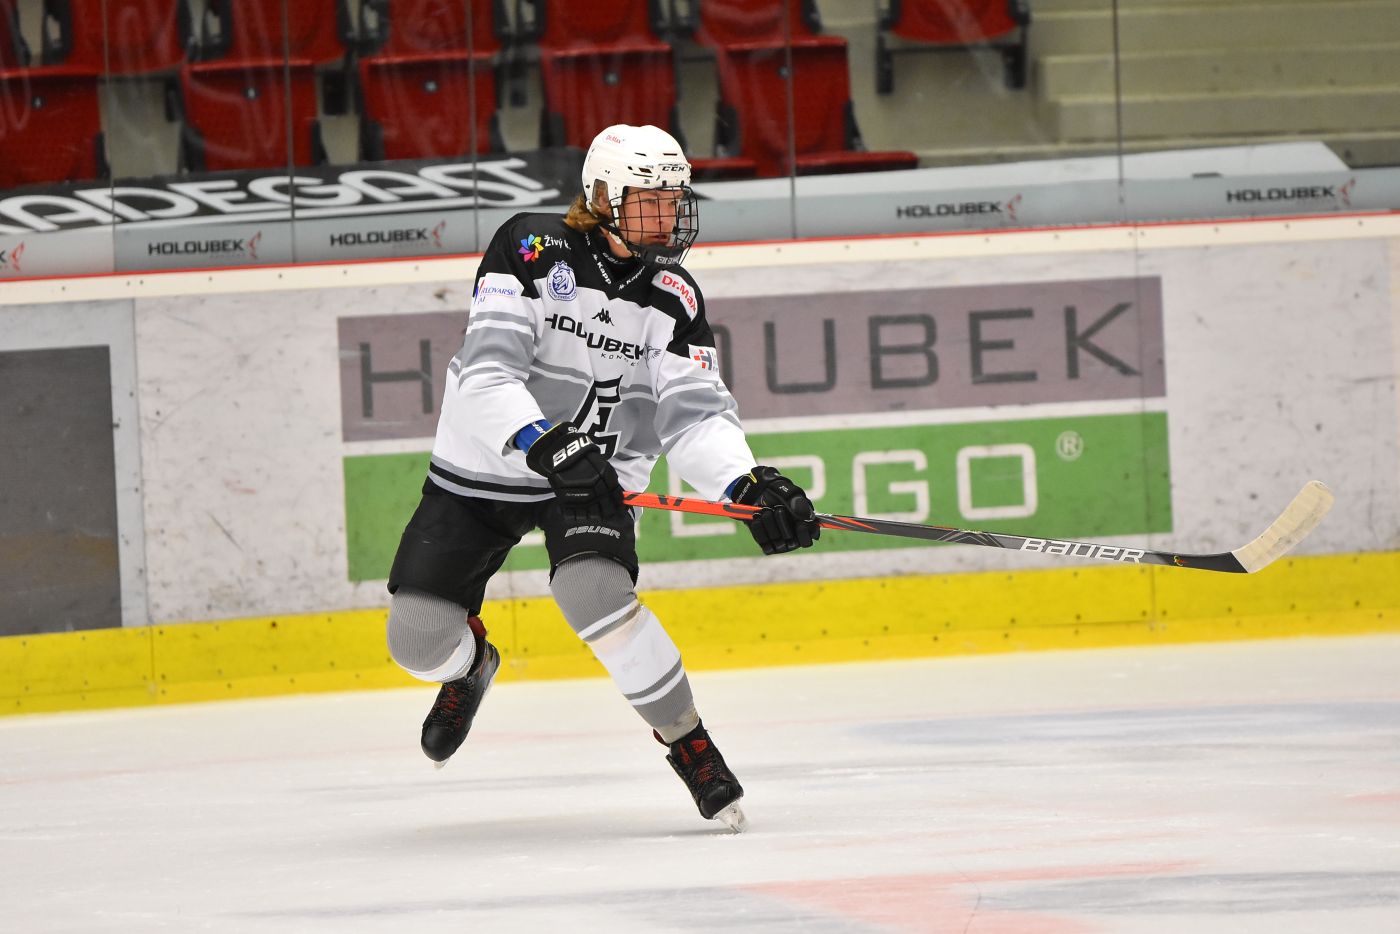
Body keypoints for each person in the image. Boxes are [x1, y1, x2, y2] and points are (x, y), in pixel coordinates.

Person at [383, 124, 821, 832]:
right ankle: (470, 667)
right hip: (490, 461)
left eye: (675, 201)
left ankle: (689, 743)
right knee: (416, 641)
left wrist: (745, 485)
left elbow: (694, 413)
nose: (669, 217)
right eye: (650, 202)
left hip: (594, 477)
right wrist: (546, 442)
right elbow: (486, 373)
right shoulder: (530, 247)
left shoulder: (675, 295)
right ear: (601, 197)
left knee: (594, 593)